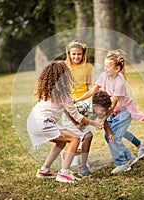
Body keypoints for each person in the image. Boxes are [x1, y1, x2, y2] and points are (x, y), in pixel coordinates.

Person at [74, 49, 144, 174]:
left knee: (113, 136)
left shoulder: (120, 82)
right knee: (110, 135)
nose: (105, 69)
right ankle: (128, 157)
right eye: (105, 66)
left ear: (117, 69)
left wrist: (102, 119)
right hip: (113, 111)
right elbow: (93, 90)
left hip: (124, 111)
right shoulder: (104, 76)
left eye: (108, 67)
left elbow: (113, 104)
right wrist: (78, 99)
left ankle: (122, 164)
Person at [26, 61, 103, 183]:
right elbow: (77, 115)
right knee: (75, 138)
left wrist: (75, 118)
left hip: (33, 122)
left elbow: (67, 110)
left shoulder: (46, 91)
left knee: (61, 142)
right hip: (44, 123)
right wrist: (94, 123)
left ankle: (44, 170)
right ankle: (64, 173)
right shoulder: (63, 94)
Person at [60, 40, 95, 176]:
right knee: (82, 134)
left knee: (83, 134)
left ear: (83, 53)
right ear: (69, 54)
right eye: (73, 54)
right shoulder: (64, 67)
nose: (76, 57)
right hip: (70, 103)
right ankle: (80, 163)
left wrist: (95, 89)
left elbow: (88, 84)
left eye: (79, 54)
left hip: (85, 102)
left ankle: (76, 159)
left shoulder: (87, 67)